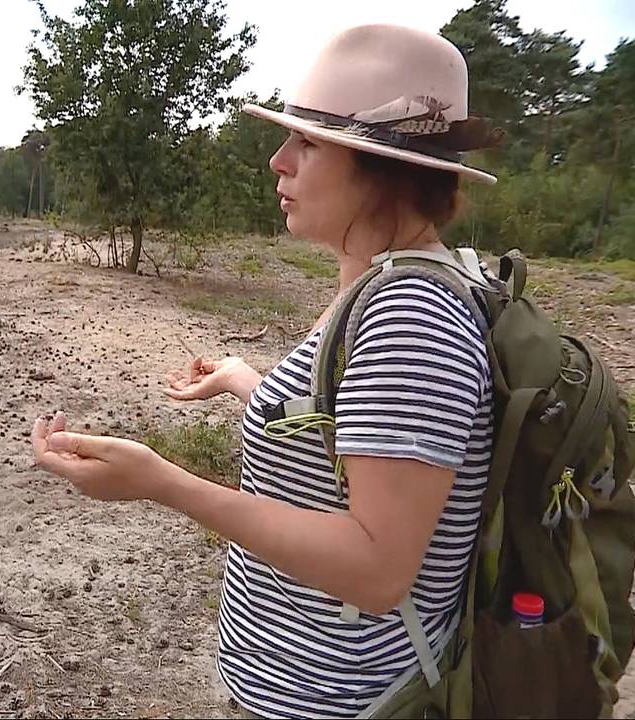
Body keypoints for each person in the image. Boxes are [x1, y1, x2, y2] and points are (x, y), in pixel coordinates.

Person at [31, 24, 505, 719]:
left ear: (383, 167)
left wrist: (163, 483)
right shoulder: (376, 284)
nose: (278, 161)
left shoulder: (411, 315)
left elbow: (377, 568)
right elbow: (347, 431)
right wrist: (240, 377)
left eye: (308, 143)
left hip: (345, 704)